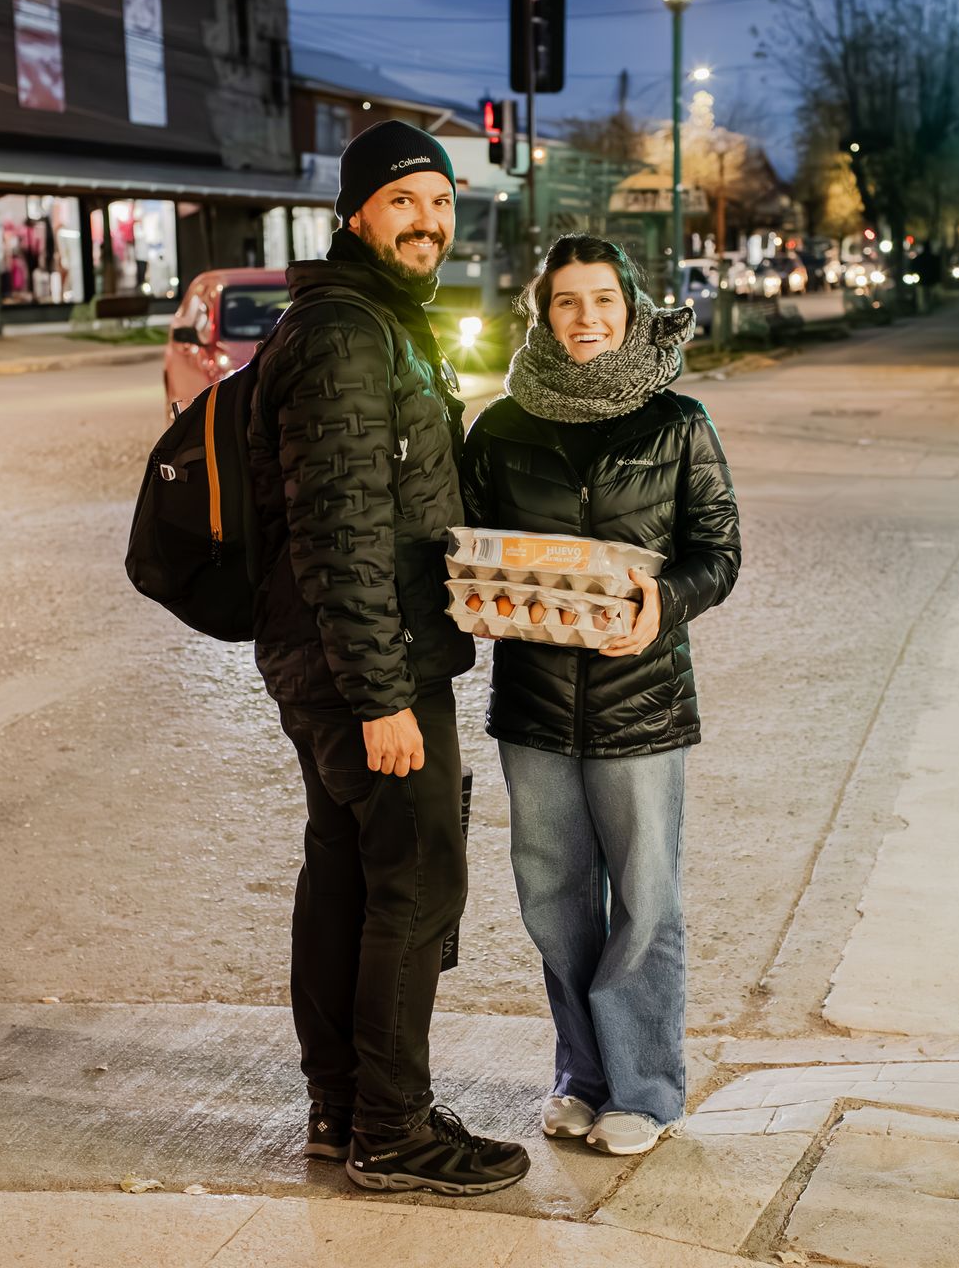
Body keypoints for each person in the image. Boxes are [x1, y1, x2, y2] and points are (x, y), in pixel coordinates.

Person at [246, 120, 530, 1197]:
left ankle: (343, 1108)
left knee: (350, 876)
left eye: (443, 203)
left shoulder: (370, 322)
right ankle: (395, 1128)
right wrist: (380, 693)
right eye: (406, 201)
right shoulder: (348, 335)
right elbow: (340, 524)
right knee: (414, 882)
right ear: (357, 211)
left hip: (351, 657)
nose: (430, 221)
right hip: (372, 667)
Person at [460, 234, 742, 1156]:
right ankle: (582, 1074)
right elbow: (467, 545)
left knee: (645, 898)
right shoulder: (501, 428)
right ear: (541, 313)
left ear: (631, 309)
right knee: (553, 897)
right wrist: (473, 599)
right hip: (534, 703)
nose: (586, 319)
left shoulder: (678, 422)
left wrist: (664, 602)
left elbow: (719, 554)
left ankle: (646, 1091)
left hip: (642, 700)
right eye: (567, 302)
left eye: (603, 301)